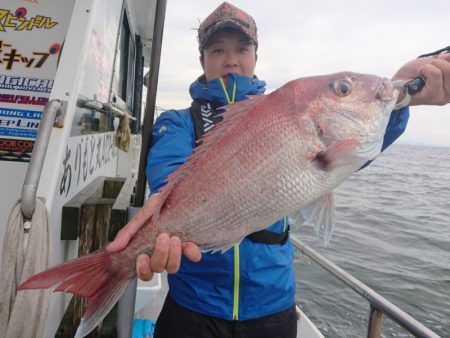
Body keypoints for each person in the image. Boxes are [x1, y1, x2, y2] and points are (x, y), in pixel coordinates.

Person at [107, 2, 450, 337]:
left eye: (242, 48)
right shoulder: (178, 122)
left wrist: (400, 100)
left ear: (256, 55)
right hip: (194, 304)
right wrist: (159, 231)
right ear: (202, 60)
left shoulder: (282, 112)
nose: (231, 59)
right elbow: (167, 174)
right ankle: (106, 274)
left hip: (272, 304)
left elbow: (354, 148)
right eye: (217, 50)